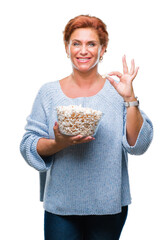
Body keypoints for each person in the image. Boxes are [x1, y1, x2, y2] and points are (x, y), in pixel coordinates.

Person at [20, 15, 153, 240]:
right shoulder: (48, 93)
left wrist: (130, 98)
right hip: (60, 206)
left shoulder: (117, 92)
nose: (84, 50)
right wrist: (57, 143)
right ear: (67, 47)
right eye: (76, 43)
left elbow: (138, 145)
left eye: (91, 44)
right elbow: (28, 145)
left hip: (108, 207)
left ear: (103, 50)